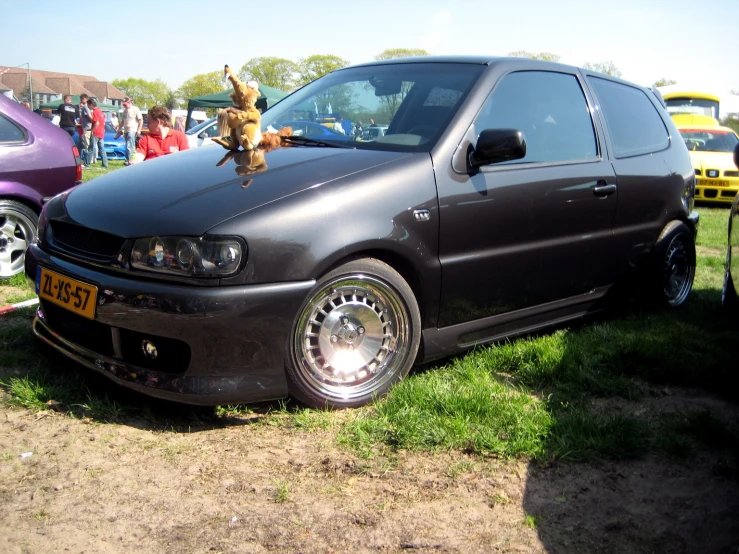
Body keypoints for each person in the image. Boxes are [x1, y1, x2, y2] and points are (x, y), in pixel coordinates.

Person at [118, 96, 143, 166]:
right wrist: (119, 129)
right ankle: (127, 160)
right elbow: (123, 121)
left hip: (132, 129)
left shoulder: (135, 109)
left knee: (130, 146)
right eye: (123, 104)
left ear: (129, 102)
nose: (124, 105)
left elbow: (141, 120)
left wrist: (139, 130)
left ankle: (130, 161)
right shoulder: (125, 111)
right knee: (127, 146)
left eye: (125, 104)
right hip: (126, 130)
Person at [88, 98, 108, 168]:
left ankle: (87, 163)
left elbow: (97, 122)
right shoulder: (100, 111)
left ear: (91, 105)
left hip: (96, 132)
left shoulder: (95, 112)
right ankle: (105, 164)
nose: (88, 107)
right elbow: (103, 121)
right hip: (101, 132)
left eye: (88, 105)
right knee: (102, 149)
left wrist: (92, 130)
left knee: (91, 148)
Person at [78, 94, 93, 167]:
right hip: (88, 128)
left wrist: (94, 122)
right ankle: (80, 161)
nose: (80, 100)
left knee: (85, 146)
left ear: (84, 99)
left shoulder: (86, 108)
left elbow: (90, 118)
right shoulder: (89, 107)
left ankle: (86, 162)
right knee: (81, 145)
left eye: (81, 99)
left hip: (87, 128)